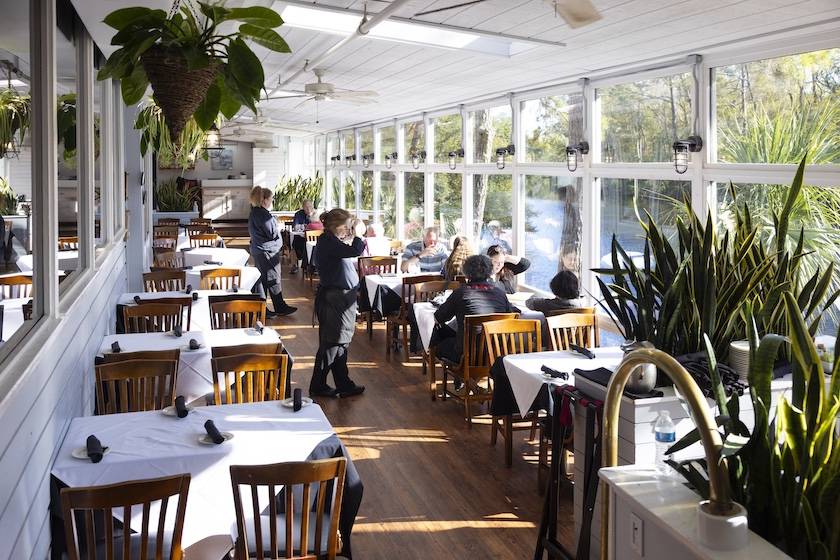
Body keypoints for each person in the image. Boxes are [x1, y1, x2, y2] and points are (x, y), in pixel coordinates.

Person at [309, 208, 367, 399]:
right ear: (338, 226)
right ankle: (318, 385)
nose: (348, 230)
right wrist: (358, 233)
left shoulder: (329, 241)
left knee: (339, 342)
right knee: (333, 342)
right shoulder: (328, 243)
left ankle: (344, 384)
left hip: (340, 298)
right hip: (336, 299)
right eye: (347, 226)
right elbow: (355, 250)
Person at [432, 254, 514, 364]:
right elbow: (510, 318)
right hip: (494, 355)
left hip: (466, 355)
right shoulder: (500, 293)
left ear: (466, 272)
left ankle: (454, 375)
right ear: (490, 271)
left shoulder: (460, 293)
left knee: (439, 340)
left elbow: (439, 318)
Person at [248, 186, 297, 317]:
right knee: (272, 278)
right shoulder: (263, 215)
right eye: (270, 199)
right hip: (267, 252)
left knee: (264, 279)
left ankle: (265, 308)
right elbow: (271, 233)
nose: (271, 201)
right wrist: (277, 226)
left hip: (261, 250)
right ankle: (270, 308)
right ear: (264, 200)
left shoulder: (255, 212)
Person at [290, 199, 318, 274]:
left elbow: (319, 226)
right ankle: (294, 265)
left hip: (314, 240)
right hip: (301, 238)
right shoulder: (299, 214)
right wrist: (305, 226)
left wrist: (311, 218)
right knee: (294, 244)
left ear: (312, 207)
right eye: (306, 207)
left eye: (310, 207)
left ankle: (313, 266)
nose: (308, 209)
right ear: (303, 207)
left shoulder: (316, 214)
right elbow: (295, 227)